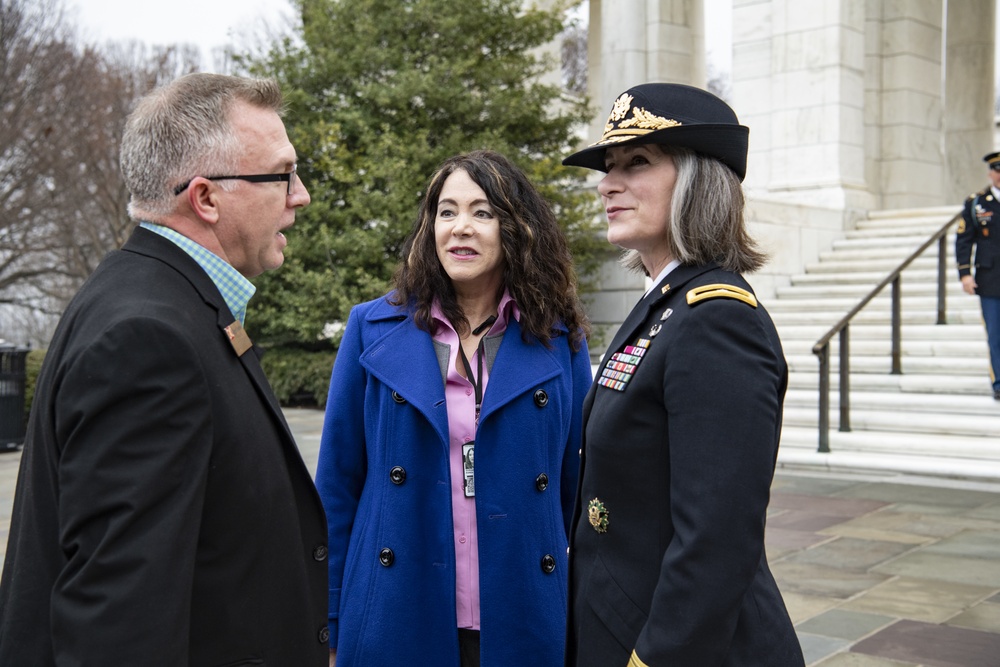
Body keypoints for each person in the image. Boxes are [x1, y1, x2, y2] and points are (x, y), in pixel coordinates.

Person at [0, 73, 329, 665]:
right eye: (282, 174)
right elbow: (119, 621)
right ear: (205, 198)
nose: (300, 194)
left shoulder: (157, 301)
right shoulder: (149, 338)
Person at [316, 150, 592, 667]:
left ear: (517, 228)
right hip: (395, 611)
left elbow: (576, 488)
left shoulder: (560, 339)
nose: (460, 227)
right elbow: (336, 486)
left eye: (482, 212)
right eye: (447, 211)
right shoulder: (370, 328)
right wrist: (327, 624)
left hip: (524, 614)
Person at [561, 83, 804, 666]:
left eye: (636, 163)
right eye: (607, 167)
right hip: (621, 620)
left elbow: (716, 541)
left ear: (698, 181)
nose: (606, 184)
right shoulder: (664, 306)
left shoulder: (716, 321)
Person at [957, 151, 1000, 400]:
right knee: (996, 333)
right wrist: (965, 274)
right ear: (990, 173)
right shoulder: (976, 203)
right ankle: (998, 382)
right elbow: (964, 240)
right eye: (997, 170)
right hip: (990, 278)